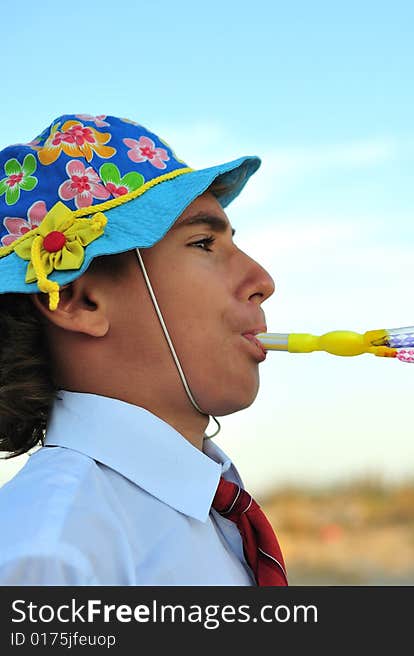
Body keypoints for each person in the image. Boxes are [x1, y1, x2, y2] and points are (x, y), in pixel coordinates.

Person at [0, 114, 287, 585]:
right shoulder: (53, 557)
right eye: (203, 243)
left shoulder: (210, 510)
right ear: (79, 300)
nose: (262, 282)